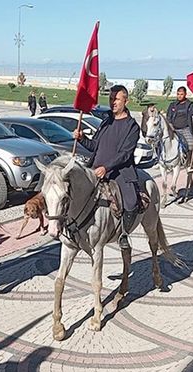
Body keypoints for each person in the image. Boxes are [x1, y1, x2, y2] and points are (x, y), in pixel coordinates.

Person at [73, 85, 140, 250]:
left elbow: (125, 154)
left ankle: (123, 234)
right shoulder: (106, 121)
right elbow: (94, 145)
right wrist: (82, 138)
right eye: (111, 99)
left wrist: (107, 168)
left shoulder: (132, 126)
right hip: (95, 169)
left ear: (126, 100)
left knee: (131, 202)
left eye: (116, 99)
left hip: (119, 172)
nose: (113, 103)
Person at [166, 87, 193, 165]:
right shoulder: (172, 105)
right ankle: (161, 160)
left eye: (181, 94)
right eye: (178, 94)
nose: (179, 96)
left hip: (185, 129)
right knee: (162, 142)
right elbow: (168, 117)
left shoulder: (190, 105)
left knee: (191, 145)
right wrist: (170, 126)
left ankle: (188, 162)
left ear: (185, 94)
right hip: (173, 129)